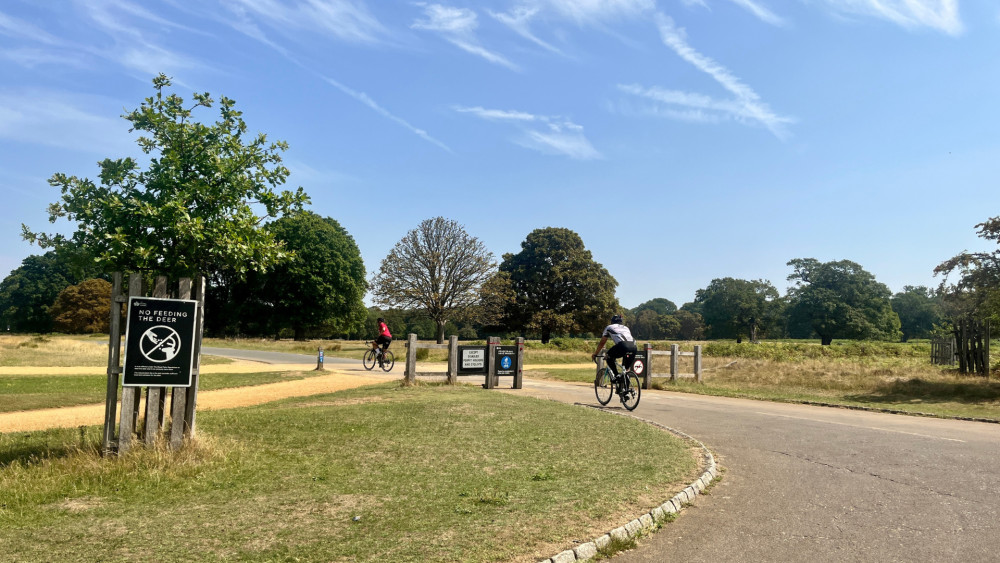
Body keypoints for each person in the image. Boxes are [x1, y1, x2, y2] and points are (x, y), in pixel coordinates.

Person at [591, 313, 636, 379]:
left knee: (608, 357)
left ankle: (616, 375)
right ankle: (626, 386)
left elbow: (602, 342)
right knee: (626, 370)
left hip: (622, 345)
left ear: (612, 321)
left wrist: (595, 354)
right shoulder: (626, 328)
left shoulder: (609, 327)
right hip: (633, 347)